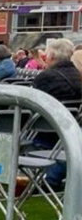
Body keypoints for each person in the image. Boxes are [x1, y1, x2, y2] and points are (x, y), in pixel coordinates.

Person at [31, 39, 81, 190]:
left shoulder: (46, 78)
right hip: (74, 131)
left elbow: (33, 107)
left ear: (51, 56)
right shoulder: (78, 76)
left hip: (49, 132)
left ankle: (48, 178)